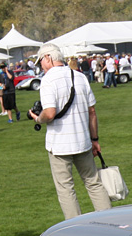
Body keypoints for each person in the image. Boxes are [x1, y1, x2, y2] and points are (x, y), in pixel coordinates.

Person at [29, 43, 110, 217]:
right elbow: (92, 112)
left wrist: (37, 118)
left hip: (59, 144)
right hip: (83, 141)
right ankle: (110, 223)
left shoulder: (48, 79)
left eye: (41, 62)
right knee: (94, 184)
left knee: (66, 189)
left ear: (48, 58)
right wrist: (95, 139)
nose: (41, 66)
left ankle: (75, 230)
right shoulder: (79, 77)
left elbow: (49, 113)